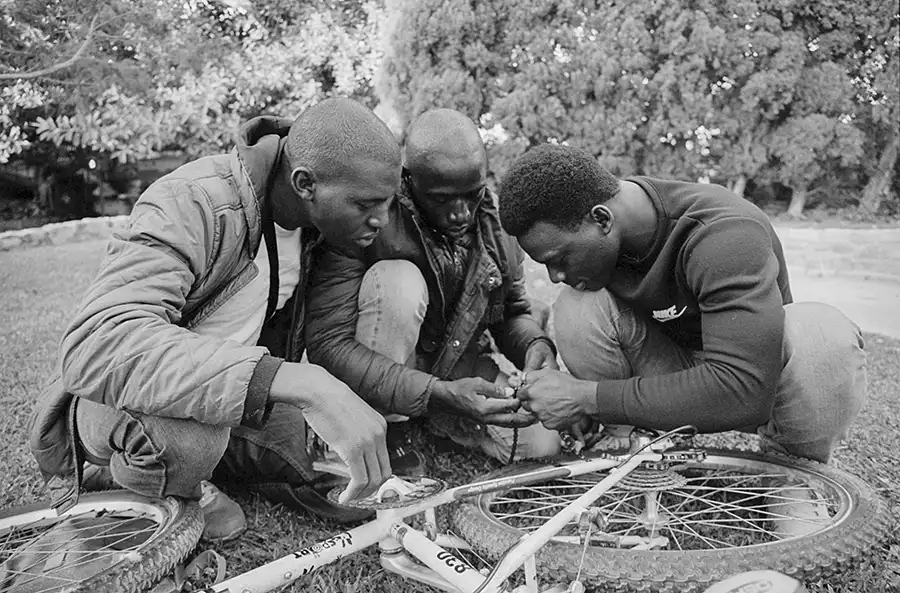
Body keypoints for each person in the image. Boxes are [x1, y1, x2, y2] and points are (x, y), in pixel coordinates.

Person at [29, 98, 401, 542]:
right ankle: (127, 474)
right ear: (305, 183)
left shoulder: (326, 225)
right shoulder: (194, 200)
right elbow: (100, 346)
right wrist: (305, 384)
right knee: (189, 447)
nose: (381, 219)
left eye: (387, 202)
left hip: (225, 384)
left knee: (312, 457)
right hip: (122, 394)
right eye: (366, 205)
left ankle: (204, 462)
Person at [497, 144, 867, 474]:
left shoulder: (724, 234)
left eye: (559, 258)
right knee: (578, 305)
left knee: (822, 335)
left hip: (760, 380)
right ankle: (633, 444)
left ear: (602, 220)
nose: (555, 275)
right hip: (678, 372)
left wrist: (585, 397)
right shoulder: (606, 223)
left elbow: (745, 390)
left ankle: (794, 472)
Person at [305, 108, 561, 465]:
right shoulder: (368, 219)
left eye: (472, 194)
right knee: (398, 283)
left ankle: (433, 420)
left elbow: (513, 311)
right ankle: (382, 427)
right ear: (407, 179)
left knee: (542, 446)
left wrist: (533, 344)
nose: (460, 213)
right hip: (384, 364)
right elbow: (329, 344)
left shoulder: (497, 225)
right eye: (442, 199)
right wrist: (437, 393)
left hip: (456, 364)